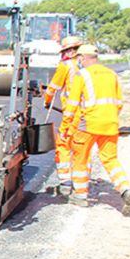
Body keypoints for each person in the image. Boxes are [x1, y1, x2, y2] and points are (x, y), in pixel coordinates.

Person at [61, 45, 130, 215]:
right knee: (111, 160)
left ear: (82, 58)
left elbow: (72, 104)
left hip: (88, 123)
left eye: (78, 58)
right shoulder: (112, 75)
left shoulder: (82, 75)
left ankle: (80, 196)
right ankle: (125, 189)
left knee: (80, 158)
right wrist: (111, 119)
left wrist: (65, 127)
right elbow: (119, 103)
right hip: (110, 123)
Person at [43, 35, 85, 194]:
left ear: (71, 51)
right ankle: (81, 185)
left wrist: (47, 100)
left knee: (63, 144)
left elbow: (53, 87)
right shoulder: (87, 66)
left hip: (72, 113)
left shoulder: (66, 66)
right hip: (90, 113)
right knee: (82, 147)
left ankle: (66, 182)